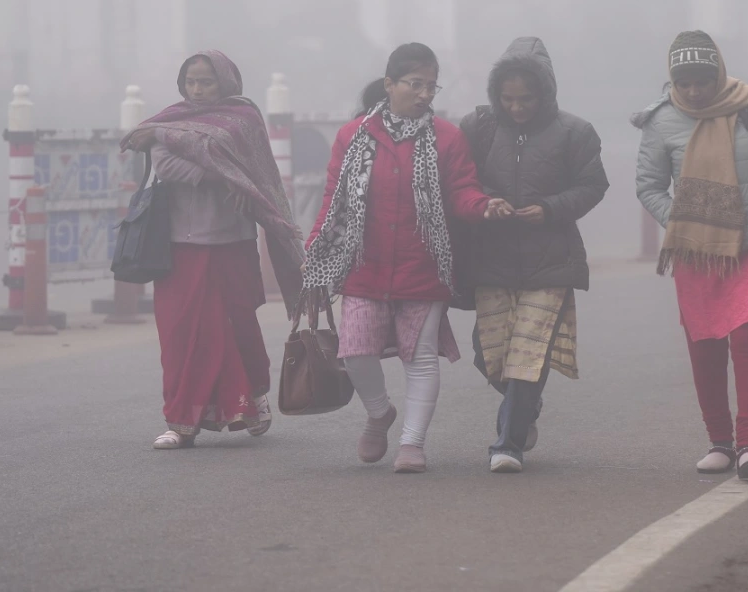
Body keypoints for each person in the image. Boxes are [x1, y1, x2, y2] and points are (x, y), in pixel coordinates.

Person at [302, 43, 512, 473]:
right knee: (355, 353)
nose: (424, 94)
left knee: (419, 358)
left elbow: (462, 192)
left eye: (431, 86)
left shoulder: (448, 138)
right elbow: (333, 198)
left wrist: (484, 205)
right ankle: (380, 413)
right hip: (365, 265)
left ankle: (412, 444)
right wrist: (315, 248)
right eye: (415, 84)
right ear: (389, 84)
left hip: (424, 266)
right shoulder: (353, 135)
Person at [634, 30, 748, 480]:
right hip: (696, 251)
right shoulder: (660, 121)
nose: (694, 90)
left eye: (702, 81)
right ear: (673, 80)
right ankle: (720, 443)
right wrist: (681, 220)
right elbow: (648, 185)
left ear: (718, 74)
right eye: (684, 82)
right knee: (705, 344)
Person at [121, 50, 304, 450]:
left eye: (207, 81)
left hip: (233, 241)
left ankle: (253, 399)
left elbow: (256, 170)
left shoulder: (243, 120)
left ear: (226, 82)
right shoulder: (168, 121)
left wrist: (236, 179)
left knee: (238, 322)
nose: (199, 89)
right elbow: (167, 165)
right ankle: (180, 420)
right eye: (191, 82)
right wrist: (225, 178)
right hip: (180, 244)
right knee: (180, 331)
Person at [459, 37, 609, 473]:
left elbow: (593, 186)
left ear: (545, 93)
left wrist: (549, 209)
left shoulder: (576, 132)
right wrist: (486, 201)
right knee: (486, 352)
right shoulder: (478, 128)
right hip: (492, 257)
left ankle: (507, 444)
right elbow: (460, 180)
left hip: (551, 259)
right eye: (507, 99)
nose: (517, 107)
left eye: (525, 99)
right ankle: (526, 408)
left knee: (529, 351)